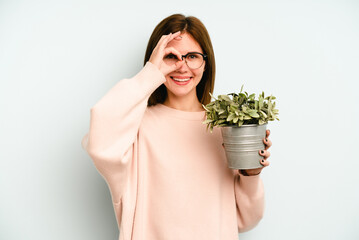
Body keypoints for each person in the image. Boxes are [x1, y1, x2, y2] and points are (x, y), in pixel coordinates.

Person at [82, 13, 272, 240]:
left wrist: (251, 173)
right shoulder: (137, 127)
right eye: (171, 56)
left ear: (205, 62)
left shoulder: (226, 130)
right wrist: (151, 73)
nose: (182, 67)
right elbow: (99, 141)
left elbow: (246, 219)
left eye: (192, 56)